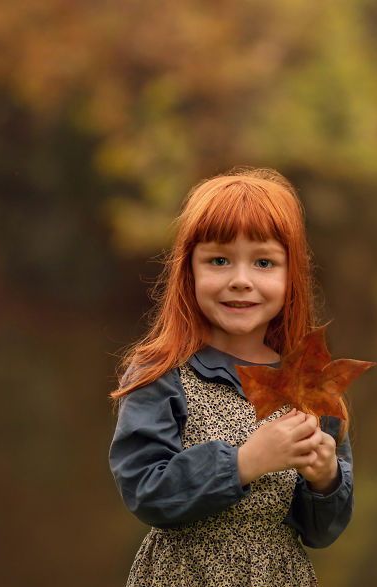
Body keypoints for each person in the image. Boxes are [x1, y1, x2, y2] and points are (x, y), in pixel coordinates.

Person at [108, 168, 354, 586]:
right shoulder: (162, 373)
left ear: (290, 275)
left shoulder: (310, 386)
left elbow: (321, 532)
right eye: (219, 260)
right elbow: (145, 491)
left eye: (264, 262)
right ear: (189, 271)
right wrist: (243, 463)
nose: (241, 280)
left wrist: (326, 479)